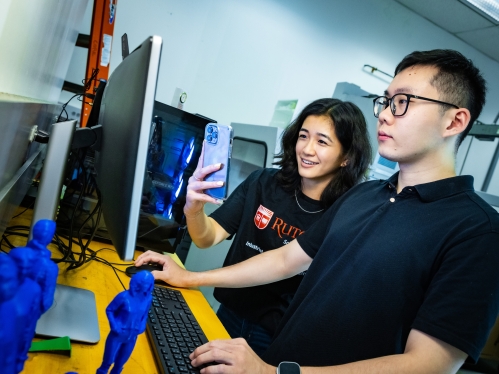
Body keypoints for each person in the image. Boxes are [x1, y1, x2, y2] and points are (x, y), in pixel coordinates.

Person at [136, 48, 499, 373]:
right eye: (385, 101)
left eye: (402, 102)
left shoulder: (477, 231)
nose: (385, 116)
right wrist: (190, 278)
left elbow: (429, 365)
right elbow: (284, 261)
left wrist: (273, 373)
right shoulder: (366, 196)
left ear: (454, 121)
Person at [142, 98, 372, 355]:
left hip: (277, 337)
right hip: (229, 313)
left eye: (322, 141)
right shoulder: (264, 182)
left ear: (346, 157)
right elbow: (206, 238)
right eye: (303, 136)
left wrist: (190, 277)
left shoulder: (345, 213)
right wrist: (193, 209)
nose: (307, 149)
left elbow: (284, 263)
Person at [96, 271, 154, 374]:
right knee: (107, 363)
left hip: (132, 337)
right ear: (138, 282)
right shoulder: (123, 297)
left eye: (149, 283)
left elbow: (144, 314)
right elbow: (109, 310)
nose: (147, 285)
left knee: (120, 364)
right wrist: (114, 326)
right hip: (118, 334)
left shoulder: (148, 299)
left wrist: (142, 325)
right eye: (145, 282)